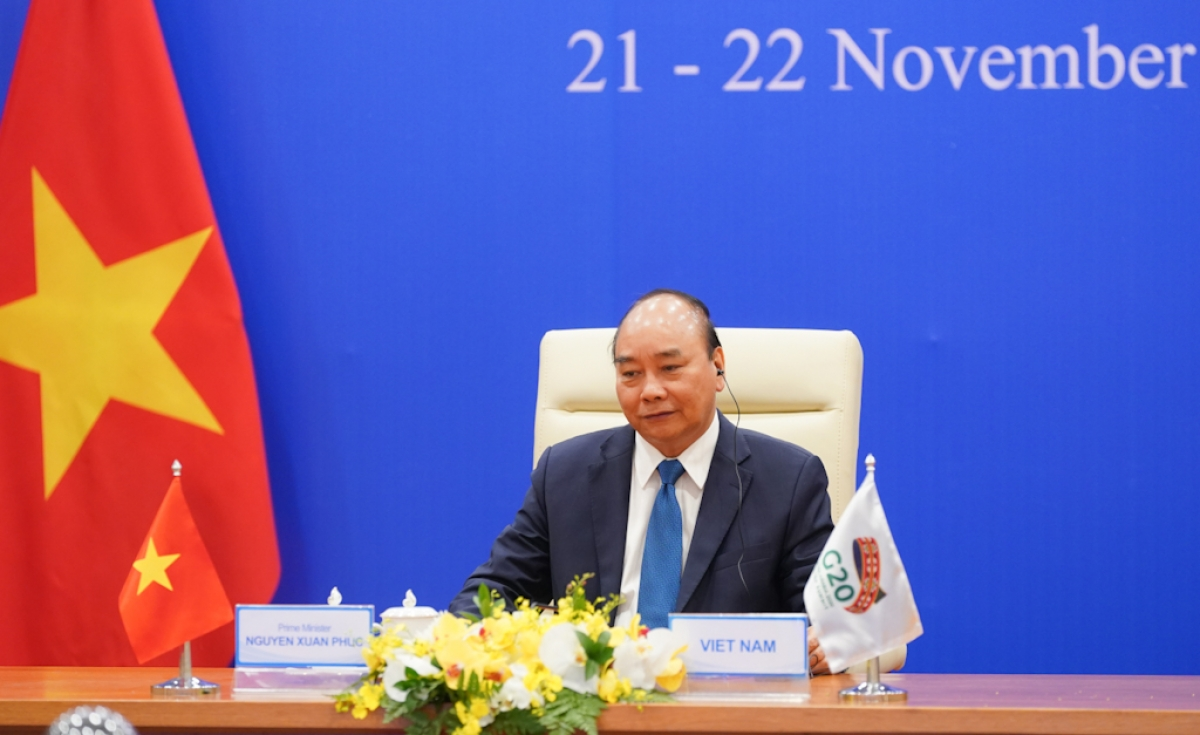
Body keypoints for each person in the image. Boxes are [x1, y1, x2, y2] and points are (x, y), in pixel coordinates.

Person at [449, 289, 834, 674]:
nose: (650, 391)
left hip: (730, 697)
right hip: (595, 698)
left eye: (670, 368)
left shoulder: (789, 480)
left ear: (718, 366)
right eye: (630, 374)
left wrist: (824, 643)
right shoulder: (564, 474)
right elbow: (487, 597)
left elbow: (828, 625)